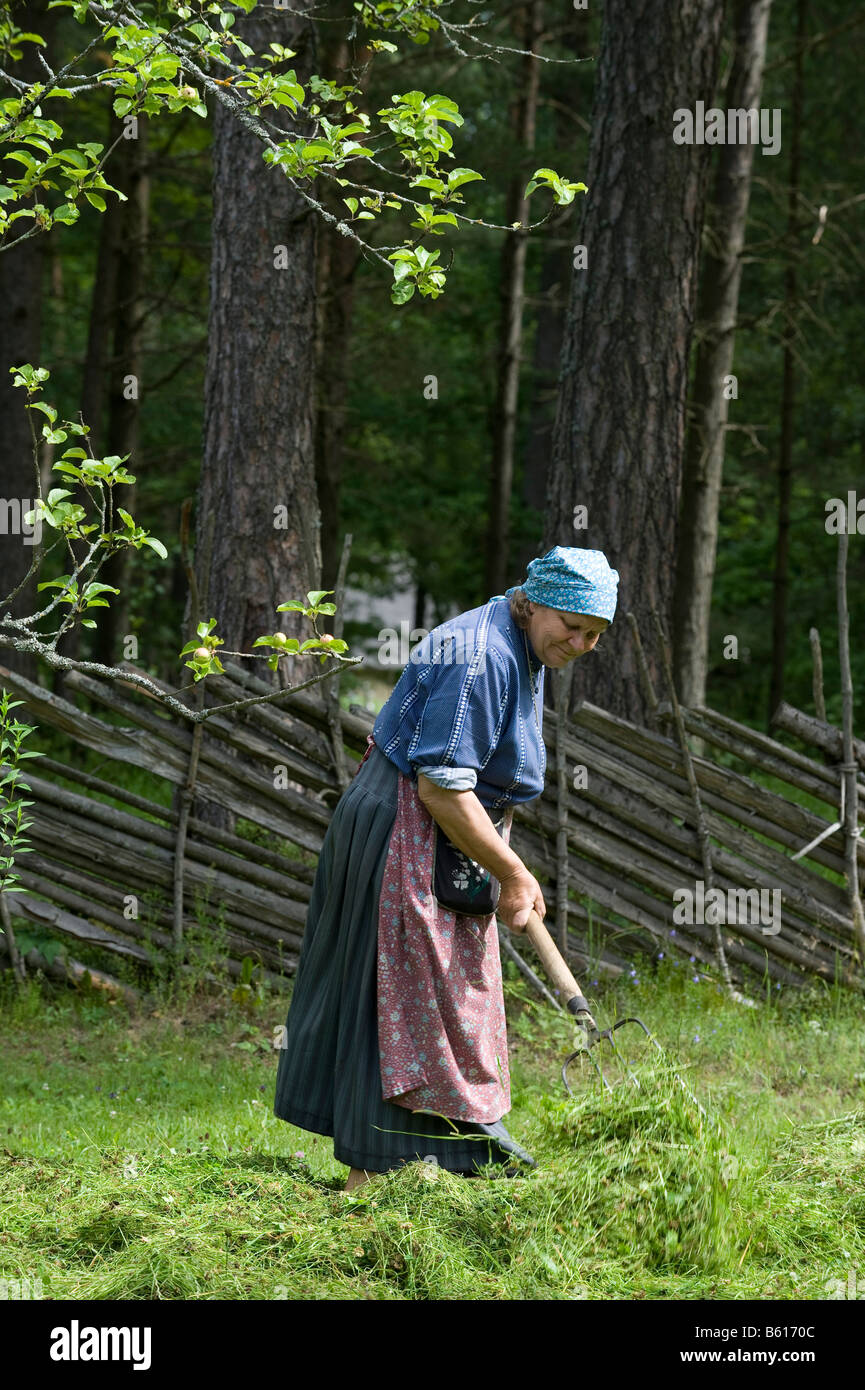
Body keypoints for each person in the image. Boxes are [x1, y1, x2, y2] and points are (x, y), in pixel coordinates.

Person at [273, 545, 619, 1189]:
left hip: (442, 829)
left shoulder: (521, 643)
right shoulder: (481, 656)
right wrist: (514, 872)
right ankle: (369, 1183)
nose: (581, 643)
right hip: (404, 821)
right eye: (573, 626)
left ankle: (428, 1167)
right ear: (534, 600)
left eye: (594, 635)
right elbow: (440, 784)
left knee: (439, 998)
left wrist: (500, 860)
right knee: (401, 993)